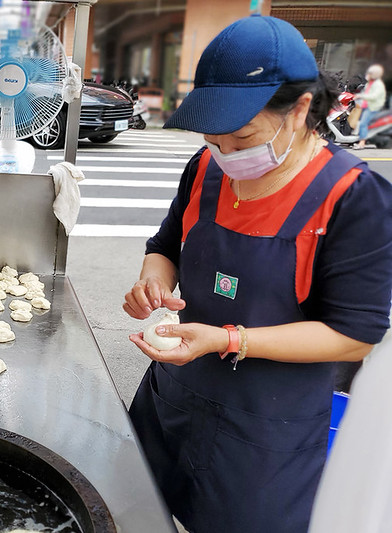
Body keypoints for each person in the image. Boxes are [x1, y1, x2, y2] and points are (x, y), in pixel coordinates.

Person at [122, 15, 392, 533]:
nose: (225, 153)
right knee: (137, 514)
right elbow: (164, 248)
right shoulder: (206, 167)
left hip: (267, 436)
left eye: (243, 139)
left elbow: (354, 337)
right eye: (213, 139)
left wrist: (229, 338)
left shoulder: (352, 199)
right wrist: (151, 283)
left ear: (300, 110)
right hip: (173, 402)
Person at [353, 63, 386, 149]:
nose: (367, 75)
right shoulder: (369, 83)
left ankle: (362, 143)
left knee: (363, 123)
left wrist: (361, 96)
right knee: (358, 122)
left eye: (370, 73)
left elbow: (374, 96)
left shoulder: (378, 84)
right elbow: (365, 92)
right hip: (365, 105)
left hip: (372, 107)